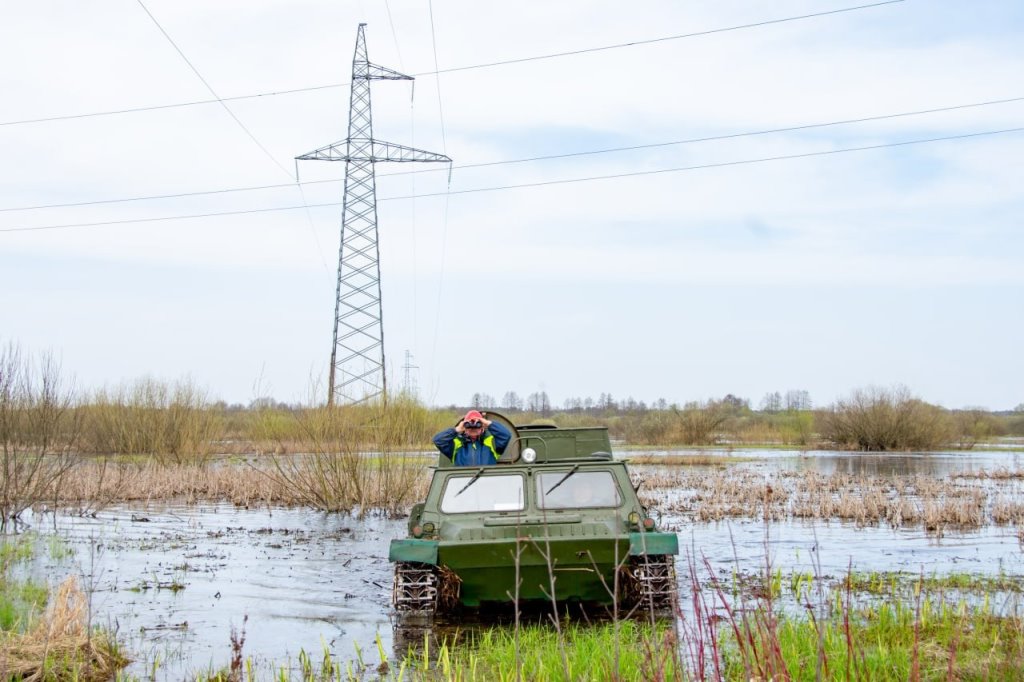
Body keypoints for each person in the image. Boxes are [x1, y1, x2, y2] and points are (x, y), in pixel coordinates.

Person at [433, 410, 511, 466]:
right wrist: (456, 430)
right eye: (469, 426)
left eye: (477, 425)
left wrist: (487, 423)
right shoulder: (456, 444)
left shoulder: (491, 442)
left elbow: (506, 435)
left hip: (487, 484)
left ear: (482, 427)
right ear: (464, 427)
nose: (473, 428)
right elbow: (438, 440)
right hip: (463, 485)